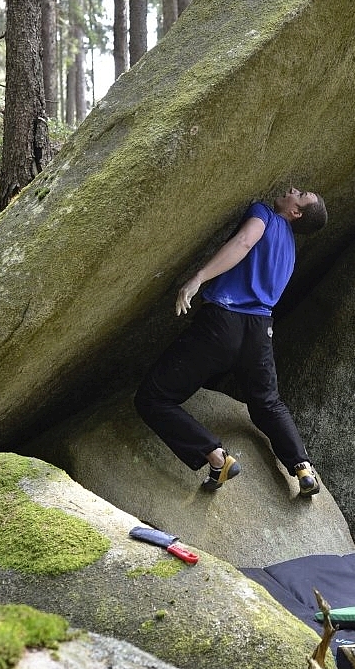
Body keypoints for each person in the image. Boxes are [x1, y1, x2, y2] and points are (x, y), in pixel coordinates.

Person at [135, 187, 328, 496]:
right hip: (260, 331)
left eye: (300, 194)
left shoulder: (264, 214)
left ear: (295, 213)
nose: (293, 189)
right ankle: (303, 468)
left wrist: (198, 278)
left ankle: (216, 457)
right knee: (267, 403)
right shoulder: (291, 250)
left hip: (223, 321)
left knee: (153, 398)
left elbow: (244, 242)